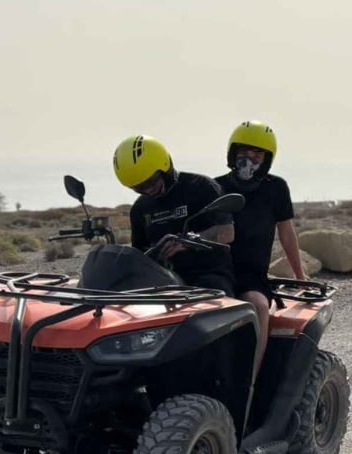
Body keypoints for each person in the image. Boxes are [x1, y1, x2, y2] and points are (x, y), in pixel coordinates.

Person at [216, 120, 304, 374]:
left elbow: (286, 233)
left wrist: (299, 275)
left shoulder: (275, 188)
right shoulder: (215, 186)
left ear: (267, 158)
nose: (249, 158)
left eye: (257, 153)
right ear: (233, 153)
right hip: (215, 271)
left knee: (259, 306)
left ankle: (250, 380)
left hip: (251, 276)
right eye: (243, 151)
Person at [113, 134, 237, 294]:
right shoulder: (140, 208)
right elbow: (138, 254)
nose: (148, 190)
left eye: (151, 182)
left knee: (210, 304)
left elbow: (227, 232)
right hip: (163, 281)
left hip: (209, 276)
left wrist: (187, 241)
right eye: (138, 188)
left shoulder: (201, 187)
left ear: (164, 167)